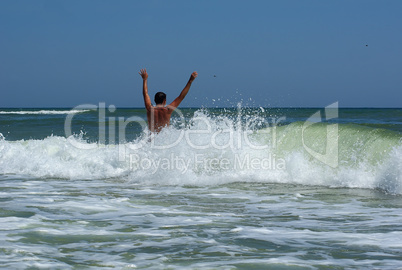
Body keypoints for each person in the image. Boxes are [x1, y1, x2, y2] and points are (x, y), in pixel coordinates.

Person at [139, 68, 198, 133]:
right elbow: (181, 96)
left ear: (154, 100)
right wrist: (190, 81)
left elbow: (145, 93)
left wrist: (145, 79)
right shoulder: (168, 110)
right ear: (165, 101)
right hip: (165, 141)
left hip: (151, 141)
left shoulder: (149, 109)